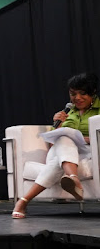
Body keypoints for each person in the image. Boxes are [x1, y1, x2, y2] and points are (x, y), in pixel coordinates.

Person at [12, 72, 100, 219]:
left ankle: (23, 201)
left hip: (89, 151)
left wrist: (81, 138)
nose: (77, 98)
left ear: (93, 92)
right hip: (63, 150)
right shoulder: (67, 112)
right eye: (73, 94)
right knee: (64, 137)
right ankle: (73, 177)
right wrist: (58, 127)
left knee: (57, 162)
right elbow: (53, 140)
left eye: (83, 93)